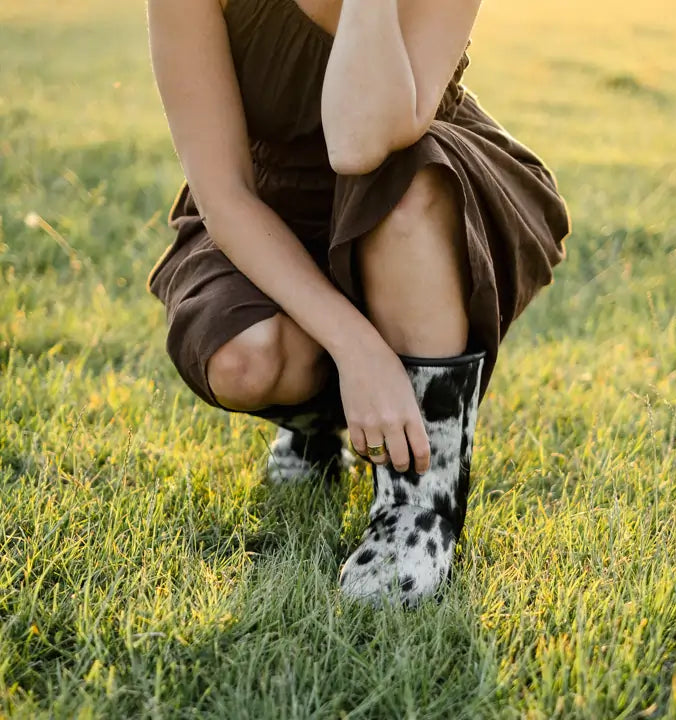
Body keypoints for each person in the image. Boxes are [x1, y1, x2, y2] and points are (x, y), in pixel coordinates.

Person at [146, 0, 570, 606]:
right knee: (246, 360)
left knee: (404, 194)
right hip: (268, 213)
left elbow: (359, 143)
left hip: (414, 192)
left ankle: (419, 504)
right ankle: (316, 425)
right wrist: (357, 347)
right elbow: (227, 194)